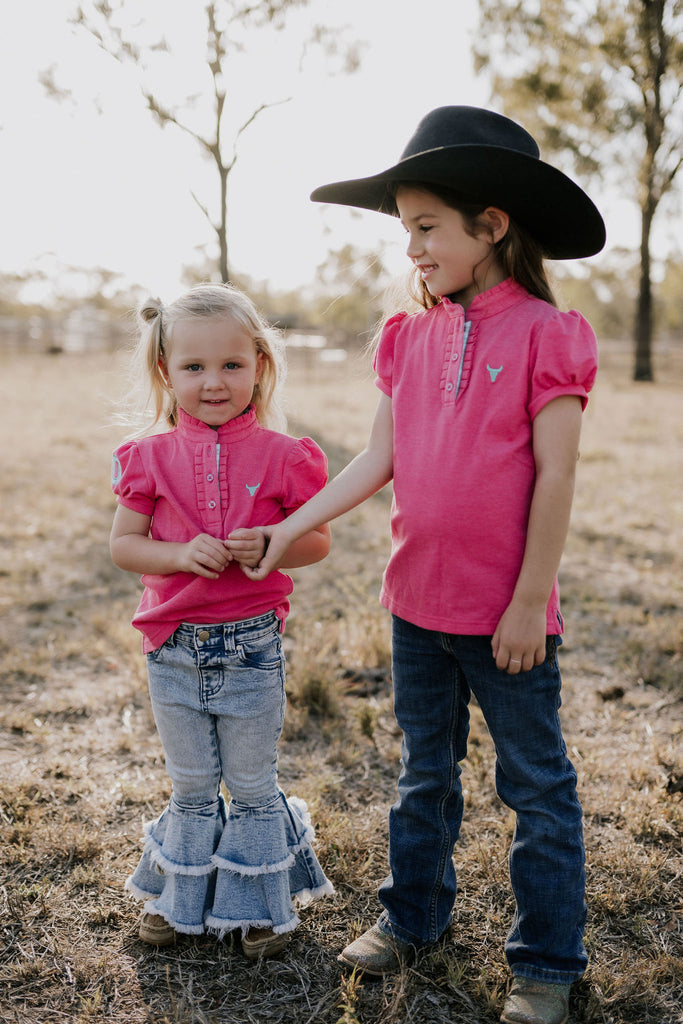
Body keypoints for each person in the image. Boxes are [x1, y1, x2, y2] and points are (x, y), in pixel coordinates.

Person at [243, 106, 605, 1023]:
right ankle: (412, 918)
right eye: (405, 229)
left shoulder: (548, 335)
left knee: (536, 791)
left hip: (505, 618)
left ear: (493, 226)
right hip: (415, 605)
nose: (411, 248)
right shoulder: (407, 336)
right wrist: (289, 529)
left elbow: (556, 474)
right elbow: (378, 460)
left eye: (427, 227)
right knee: (421, 776)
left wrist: (529, 601)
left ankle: (547, 965)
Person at [110, 283, 334, 958]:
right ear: (165, 372)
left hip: (251, 648)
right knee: (192, 788)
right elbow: (123, 546)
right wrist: (177, 552)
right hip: (171, 648)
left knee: (253, 786)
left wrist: (272, 542)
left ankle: (261, 907)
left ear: (260, 365)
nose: (214, 382)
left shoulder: (284, 455)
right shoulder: (146, 457)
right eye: (194, 367)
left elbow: (317, 543)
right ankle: (178, 899)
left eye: (232, 365)